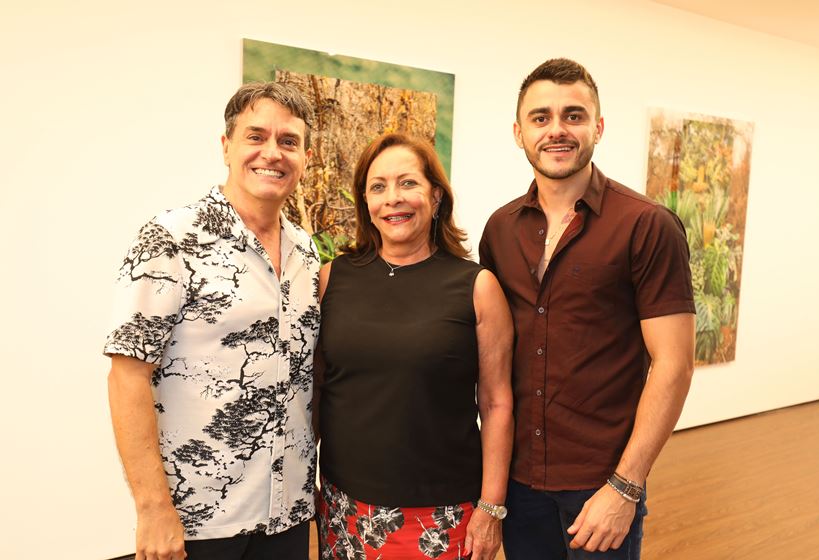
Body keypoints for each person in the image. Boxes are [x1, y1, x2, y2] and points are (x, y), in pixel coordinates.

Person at [479, 58, 696, 559]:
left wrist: (626, 487)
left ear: (597, 127)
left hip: (601, 485)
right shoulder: (500, 230)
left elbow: (675, 363)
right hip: (518, 483)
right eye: (541, 117)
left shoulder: (647, 226)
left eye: (573, 116)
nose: (557, 130)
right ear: (519, 132)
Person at [104, 82, 320, 560]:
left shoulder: (307, 252)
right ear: (226, 146)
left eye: (289, 141)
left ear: (305, 156)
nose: (272, 153)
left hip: (287, 517)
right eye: (255, 136)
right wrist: (153, 508)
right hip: (195, 523)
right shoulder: (169, 239)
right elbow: (127, 376)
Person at [316, 133, 514, 560]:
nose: (393, 199)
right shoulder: (332, 279)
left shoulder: (476, 287)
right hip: (344, 505)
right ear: (365, 202)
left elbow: (497, 403)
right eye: (378, 186)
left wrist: (491, 507)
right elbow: (315, 391)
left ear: (436, 196)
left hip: (443, 514)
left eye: (408, 183)